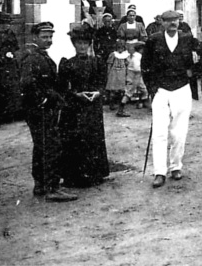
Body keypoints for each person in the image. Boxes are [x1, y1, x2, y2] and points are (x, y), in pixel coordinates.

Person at [142, 10, 202, 189]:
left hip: (182, 88)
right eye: (168, 21)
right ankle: (159, 172)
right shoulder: (154, 40)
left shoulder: (188, 38)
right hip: (161, 90)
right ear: (162, 23)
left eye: (175, 20)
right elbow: (145, 65)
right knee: (159, 132)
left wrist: (194, 71)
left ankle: (176, 167)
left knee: (179, 132)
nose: (172, 23)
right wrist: (152, 88)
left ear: (179, 22)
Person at [18, 21, 77, 202]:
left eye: (50, 37)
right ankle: (52, 187)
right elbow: (28, 84)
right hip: (40, 110)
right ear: (35, 37)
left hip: (41, 110)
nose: (48, 40)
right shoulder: (32, 57)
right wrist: (43, 100)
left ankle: (41, 185)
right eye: (44, 37)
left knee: (41, 147)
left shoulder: (40, 55)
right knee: (51, 147)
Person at [58, 26, 109, 187]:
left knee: (92, 138)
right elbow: (62, 88)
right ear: (74, 44)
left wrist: (98, 93)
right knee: (74, 139)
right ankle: (74, 176)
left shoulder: (97, 62)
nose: (82, 46)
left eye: (85, 43)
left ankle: (94, 174)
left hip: (92, 106)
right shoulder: (67, 64)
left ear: (89, 44)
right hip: (74, 108)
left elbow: (103, 84)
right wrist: (75, 94)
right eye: (79, 43)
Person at [106, 39, 130, 117]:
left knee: (122, 90)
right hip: (114, 73)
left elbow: (127, 64)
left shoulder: (126, 55)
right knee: (113, 90)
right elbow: (109, 64)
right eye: (119, 47)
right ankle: (111, 104)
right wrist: (108, 73)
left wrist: (127, 73)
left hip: (122, 73)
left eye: (122, 47)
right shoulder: (113, 54)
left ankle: (120, 105)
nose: (120, 49)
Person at [125, 40, 148, 109]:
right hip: (134, 76)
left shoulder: (137, 56)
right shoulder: (136, 57)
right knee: (130, 92)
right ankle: (121, 108)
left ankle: (141, 103)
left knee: (143, 89)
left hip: (137, 76)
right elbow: (136, 68)